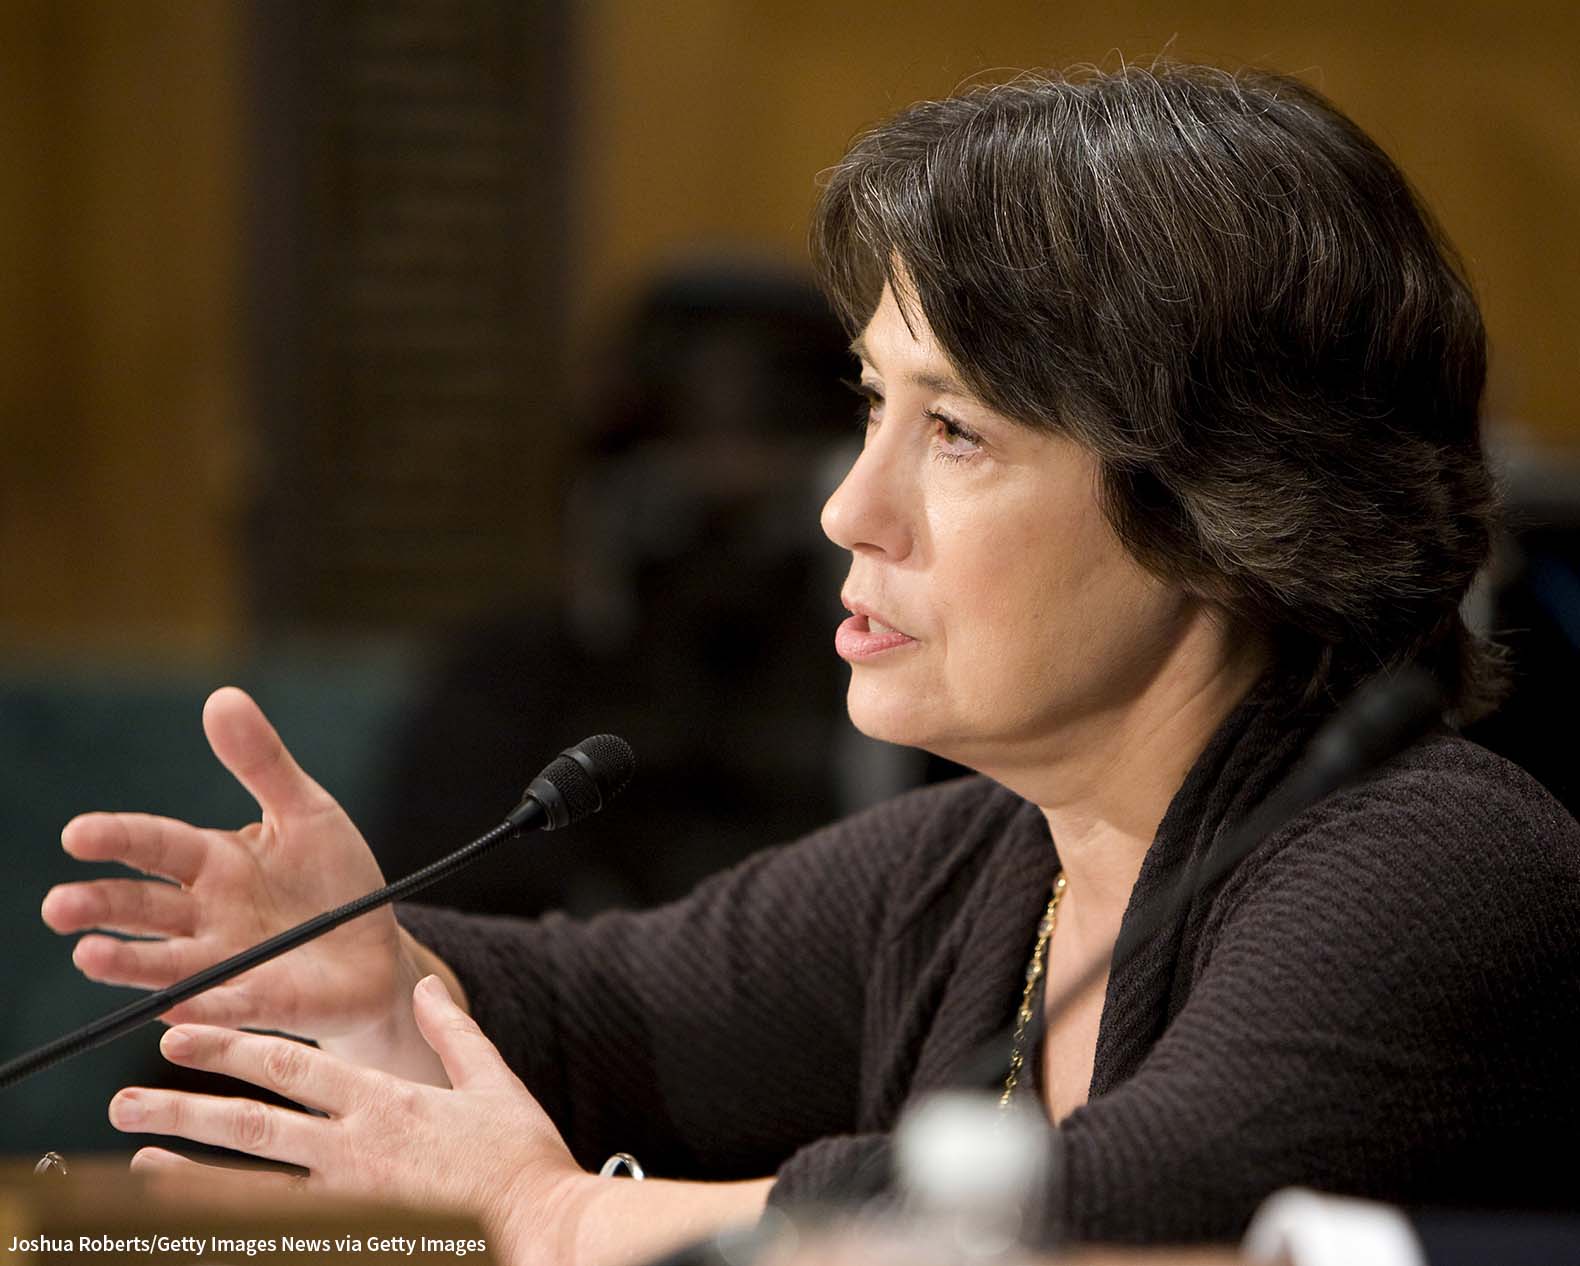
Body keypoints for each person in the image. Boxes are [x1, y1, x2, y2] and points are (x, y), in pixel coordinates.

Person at [39, 63, 1580, 1265]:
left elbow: (1126, 1206)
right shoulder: (987, 864)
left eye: (957, 430)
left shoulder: (1443, 855)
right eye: (870, 406)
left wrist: (562, 1220)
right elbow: (606, 1009)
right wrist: (383, 963)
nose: (849, 507)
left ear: (1233, 502)